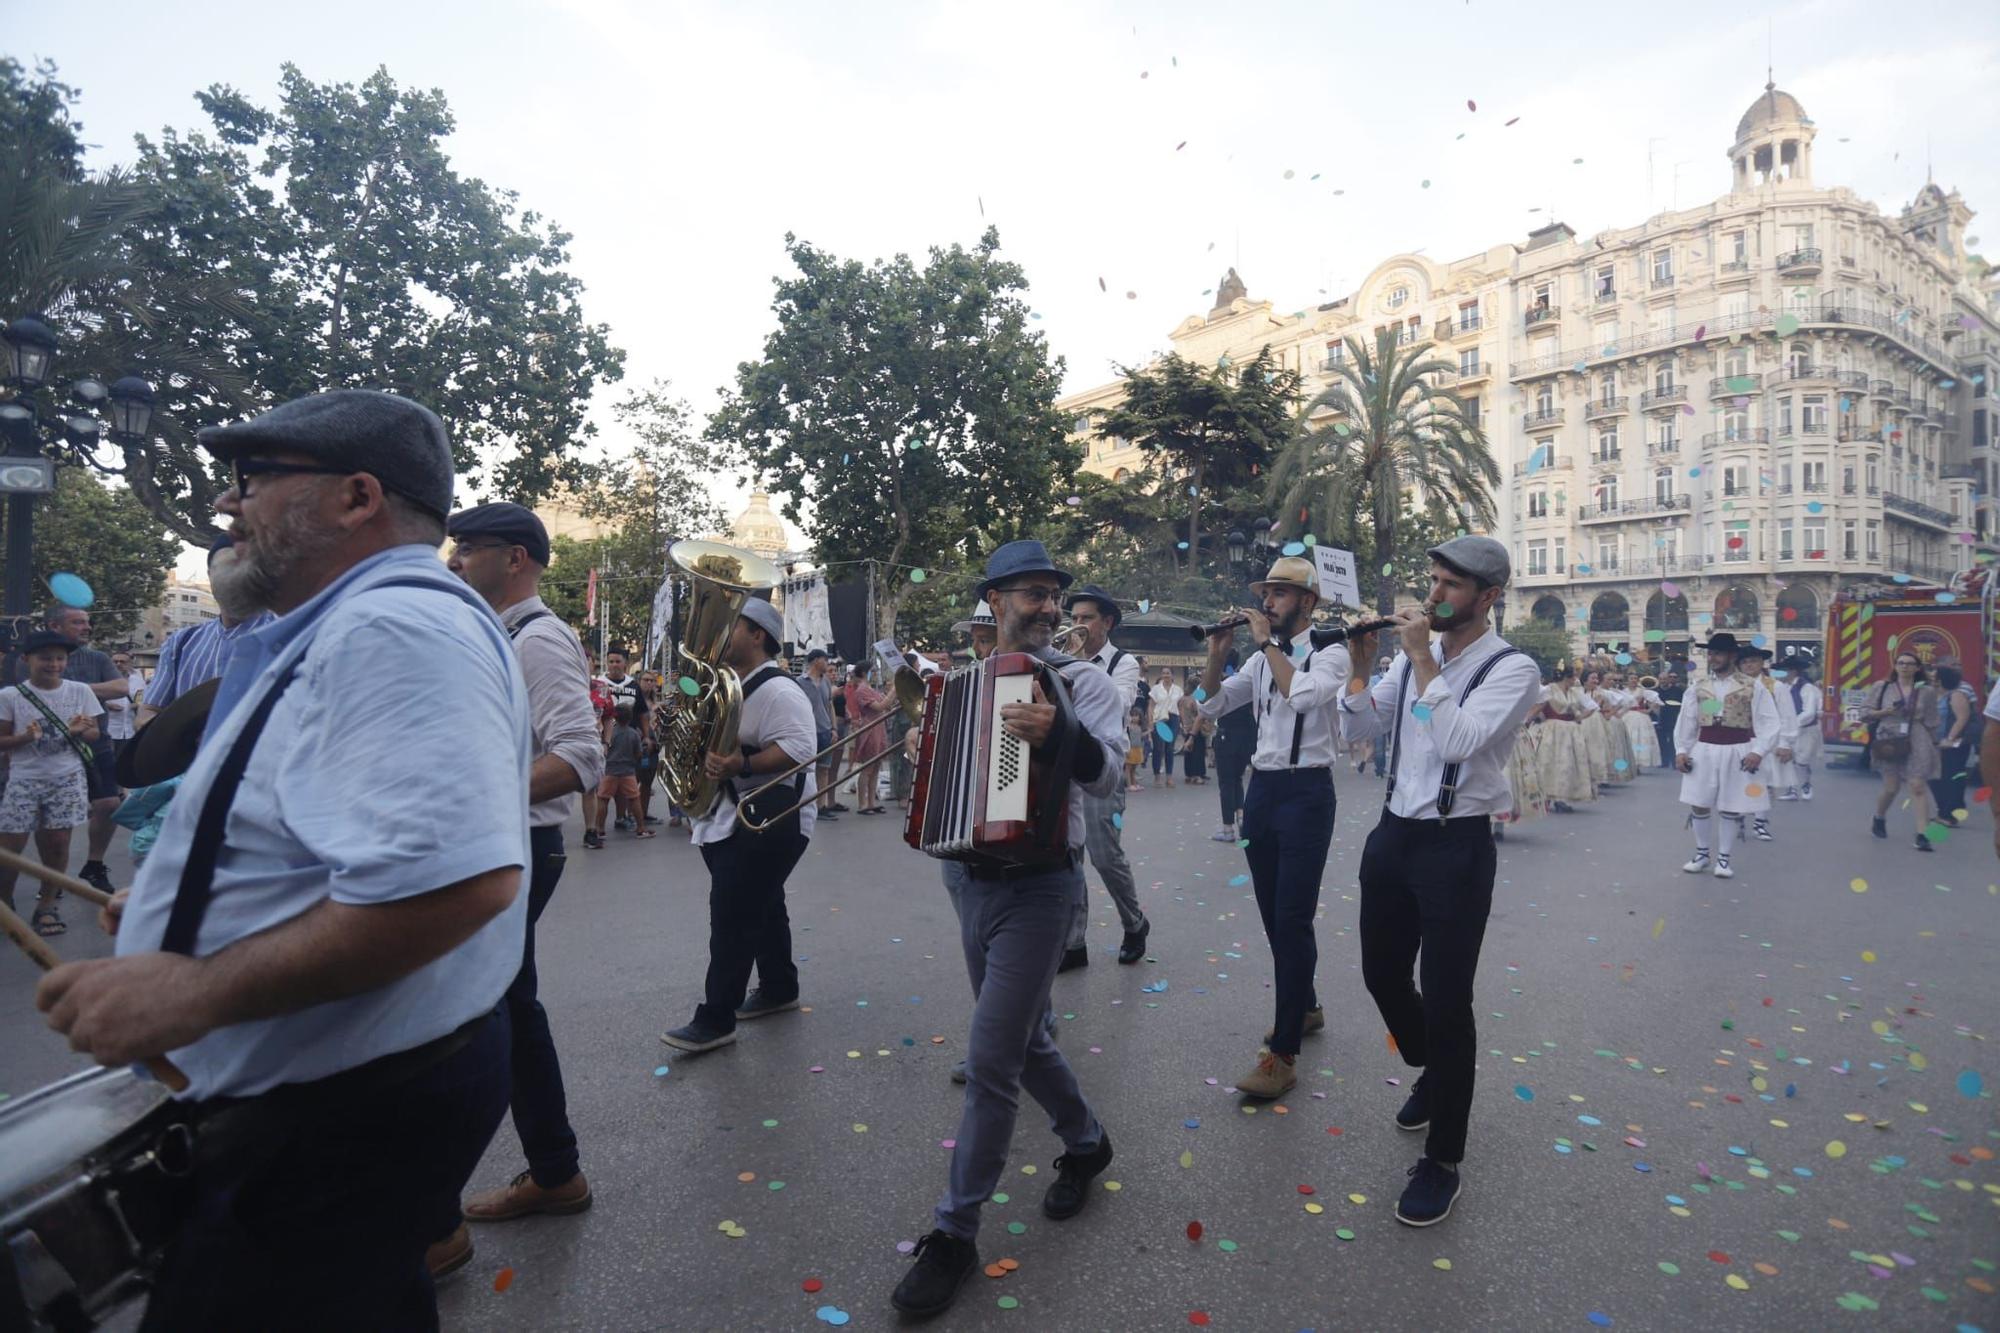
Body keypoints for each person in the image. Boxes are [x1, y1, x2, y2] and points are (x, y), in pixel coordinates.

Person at [36, 389, 532, 1329]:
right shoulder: (359, 623)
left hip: (334, 1111)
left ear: (355, 498)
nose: (230, 506)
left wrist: (187, 991)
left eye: (254, 481)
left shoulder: (395, 628)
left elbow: (457, 881)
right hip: (344, 1093)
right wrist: (193, 900)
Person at [892, 540, 1120, 1318]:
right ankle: (1088, 1142)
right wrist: (928, 753)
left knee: (992, 1058)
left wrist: (1060, 734)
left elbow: (1112, 775)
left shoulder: (1081, 681)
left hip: (1042, 885)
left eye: (1055, 594)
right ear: (994, 600)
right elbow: (948, 774)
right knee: (1024, 1040)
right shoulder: (962, 683)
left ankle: (954, 1234)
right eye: (1032, 593)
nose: (1050, 606)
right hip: (968, 873)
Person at [1338, 536, 1542, 1227]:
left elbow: (1457, 739)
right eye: (1432, 581)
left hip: (1457, 845)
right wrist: (1363, 669)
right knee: (1381, 974)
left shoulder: (1515, 670)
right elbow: (1356, 729)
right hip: (1394, 832)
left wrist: (1424, 658)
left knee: (1450, 1001)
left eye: (1450, 585)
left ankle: (1443, 1159)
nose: (1433, 595)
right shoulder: (1407, 658)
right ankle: (1436, 1068)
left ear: (1488, 598)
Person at [436, 498, 604, 1273]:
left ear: (516, 559)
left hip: (521, 844)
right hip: (504, 841)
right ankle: (553, 1169)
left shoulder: (538, 639)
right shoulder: (496, 636)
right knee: (505, 1007)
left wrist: (472, 795)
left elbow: (579, 755)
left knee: (474, 1016)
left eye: (468, 548)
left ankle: (437, 1214)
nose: (454, 560)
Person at [1195, 555, 1350, 1099]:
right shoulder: (1260, 661)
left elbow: (1303, 695)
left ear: (1307, 602)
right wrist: (1216, 657)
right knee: (1270, 912)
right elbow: (1212, 704)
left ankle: (1282, 1053)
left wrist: (1265, 645)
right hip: (1262, 791)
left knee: (1292, 918)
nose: (1268, 604)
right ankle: (1305, 1006)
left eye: (1280, 595)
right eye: (1267, 595)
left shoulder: (1331, 652)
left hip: (1307, 793)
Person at [661, 597, 816, 1053]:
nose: (722, 633)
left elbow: (801, 748)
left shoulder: (779, 690)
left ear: (758, 636)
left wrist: (740, 763)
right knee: (763, 905)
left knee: (732, 916)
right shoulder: (723, 684)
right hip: (732, 815)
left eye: (734, 626)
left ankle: (716, 1018)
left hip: (768, 816)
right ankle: (779, 987)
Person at [0, 606, 130, 894]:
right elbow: (33, 692)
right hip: (31, 766)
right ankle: (11, 897)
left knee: (104, 808)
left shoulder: (96, 659)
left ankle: (86, 870)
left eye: (87, 622)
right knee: (18, 840)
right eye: (77, 622)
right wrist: (25, 737)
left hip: (85, 754)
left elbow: (121, 688)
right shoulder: (20, 675)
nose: (86, 627)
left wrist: (76, 699)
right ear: (54, 626)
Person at [1062, 583, 1149, 968]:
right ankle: (1073, 941)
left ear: (1107, 622)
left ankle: (1134, 923)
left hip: (1103, 766)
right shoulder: (1062, 659)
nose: (1077, 626)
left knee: (1104, 855)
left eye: (1086, 619)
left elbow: (1118, 703)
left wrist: (1075, 673)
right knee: (1069, 855)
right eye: (1074, 618)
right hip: (1064, 767)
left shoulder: (1123, 664)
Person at [0, 629, 104, 936]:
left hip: (66, 779)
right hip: (23, 780)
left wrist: (78, 730)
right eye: (46, 658)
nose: (54, 664)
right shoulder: (10, 696)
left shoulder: (80, 691)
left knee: (58, 846)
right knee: (9, 848)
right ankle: (5, 903)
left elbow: (95, 733)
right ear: (27, 659)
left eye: (60, 658)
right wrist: (24, 738)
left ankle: (46, 906)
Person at [138, 533, 276, 724]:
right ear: (210, 575)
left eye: (246, 568)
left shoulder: (289, 636)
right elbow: (149, 711)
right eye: (226, 568)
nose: (235, 578)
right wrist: (177, 739)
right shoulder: (181, 643)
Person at [1673, 632, 1781, 877]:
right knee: (1699, 802)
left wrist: (1758, 751)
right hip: (1705, 749)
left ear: (1732, 656)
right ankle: (1702, 853)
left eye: (1718, 653)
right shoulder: (1698, 687)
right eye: (1710, 653)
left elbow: (1769, 722)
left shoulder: (1753, 686)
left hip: (1737, 748)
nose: (1713, 658)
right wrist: (1682, 751)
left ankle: (1724, 858)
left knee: (1731, 804)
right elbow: (1687, 722)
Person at [1864, 649, 1941, 852]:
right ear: (1895, 666)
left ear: (1917, 668)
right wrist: (1884, 712)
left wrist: (1936, 743)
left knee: (1917, 785)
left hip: (1917, 735)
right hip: (1889, 735)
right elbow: (1865, 713)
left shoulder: (1927, 691)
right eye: (1901, 663)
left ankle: (1922, 835)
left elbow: (1932, 719)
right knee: (1891, 788)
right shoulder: (1882, 687)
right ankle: (1879, 817)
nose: (1905, 666)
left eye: (1909, 663)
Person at [1737, 646, 1796, 843]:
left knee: (1762, 783)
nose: (1749, 665)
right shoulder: (1734, 685)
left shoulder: (1776, 687)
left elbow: (1786, 716)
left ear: (1762, 663)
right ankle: (1738, 818)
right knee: (1738, 782)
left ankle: (1760, 823)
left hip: (1766, 741)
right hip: (1739, 740)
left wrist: (1785, 742)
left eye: (1753, 661)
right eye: (1744, 662)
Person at [1534, 665, 1596, 811]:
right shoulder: (1548, 689)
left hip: (1570, 730)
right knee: (1548, 762)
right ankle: (1545, 796)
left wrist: (1579, 716)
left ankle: (1560, 797)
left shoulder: (1574, 692)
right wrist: (1540, 717)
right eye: (1573, 676)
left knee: (1566, 764)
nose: (1575, 679)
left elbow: (1592, 706)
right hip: (1551, 729)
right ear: (1566, 677)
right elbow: (1535, 705)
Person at [1209, 653, 1255, 841]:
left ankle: (1227, 828)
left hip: (1226, 735)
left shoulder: (1219, 684)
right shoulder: (1246, 682)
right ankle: (1242, 817)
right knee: (1237, 778)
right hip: (1247, 735)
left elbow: (1199, 700)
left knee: (1226, 782)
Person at [1928, 660, 1977, 824]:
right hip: (1935, 741)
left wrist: (1949, 739)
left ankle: (1948, 815)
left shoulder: (1956, 694)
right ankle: (1946, 811)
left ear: (1942, 678)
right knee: (1934, 776)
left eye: (1934, 675)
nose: (1931, 677)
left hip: (1953, 743)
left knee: (1950, 777)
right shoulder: (1934, 693)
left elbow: (1962, 719)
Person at [591, 703, 646, 842]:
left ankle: (599, 829)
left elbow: (603, 749)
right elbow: (639, 754)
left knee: (603, 799)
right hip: (628, 771)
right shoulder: (633, 733)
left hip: (609, 770)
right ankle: (640, 829)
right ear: (630, 718)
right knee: (634, 798)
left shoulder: (610, 733)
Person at [844, 663, 893, 816]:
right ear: (865, 673)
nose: (876, 673)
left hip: (878, 728)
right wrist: (894, 690)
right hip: (870, 729)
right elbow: (880, 706)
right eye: (874, 671)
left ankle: (871, 802)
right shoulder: (862, 690)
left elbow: (886, 706)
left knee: (876, 768)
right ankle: (862, 803)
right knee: (867, 769)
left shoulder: (870, 688)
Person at [802, 648, 840, 822]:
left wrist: (834, 728)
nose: (827, 664)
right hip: (807, 731)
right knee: (806, 770)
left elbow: (830, 705)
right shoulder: (800, 681)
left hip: (824, 730)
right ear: (816, 661)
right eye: (825, 660)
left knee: (824, 769)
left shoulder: (825, 682)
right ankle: (804, 804)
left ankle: (821, 805)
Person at [1148, 667, 1182, 786]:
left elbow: (1180, 706)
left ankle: (1169, 777)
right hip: (1160, 719)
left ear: (1172, 675)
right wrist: (1150, 721)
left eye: (1168, 673)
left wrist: (1183, 721)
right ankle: (1157, 776)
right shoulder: (1156, 689)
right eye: (1163, 673)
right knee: (1158, 748)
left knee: (1169, 748)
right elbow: (1151, 706)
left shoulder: (1178, 690)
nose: (1165, 675)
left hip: (1173, 718)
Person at [1652, 668, 1684, 770]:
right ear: (1658, 680)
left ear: (1668, 679)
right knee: (1661, 741)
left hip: (1673, 718)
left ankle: (1674, 761)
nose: (1663, 681)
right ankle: (1664, 761)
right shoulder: (1655, 691)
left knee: (1673, 742)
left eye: (1665, 679)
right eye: (1661, 679)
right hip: (1659, 719)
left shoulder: (1678, 691)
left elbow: (1682, 705)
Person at [1179, 674, 1209, 783]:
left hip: (1186, 727)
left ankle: (1189, 774)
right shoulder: (1196, 698)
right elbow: (1199, 713)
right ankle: (1197, 775)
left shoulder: (1183, 698)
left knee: (1189, 752)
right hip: (1196, 727)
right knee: (1198, 751)